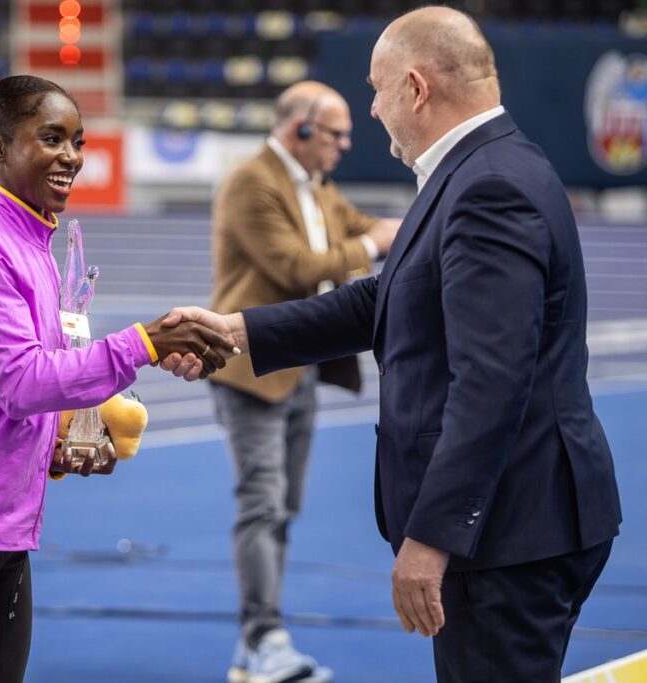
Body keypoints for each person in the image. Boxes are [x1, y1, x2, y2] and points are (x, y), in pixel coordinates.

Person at [162, 7, 622, 682]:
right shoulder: (480, 167)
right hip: (518, 521)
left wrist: (433, 536)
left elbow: (491, 380)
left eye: (376, 90)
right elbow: (390, 296)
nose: (372, 111)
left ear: (415, 87)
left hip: (508, 535)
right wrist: (239, 330)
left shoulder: (488, 185)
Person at [0, 74, 235, 683]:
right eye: (51, 138)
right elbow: (21, 382)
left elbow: (6, 389)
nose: (72, 157)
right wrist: (145, 344)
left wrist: (55, 441)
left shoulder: (29, 239)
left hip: (1, 523)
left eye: (77, 141)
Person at [210, 80, 398, 683]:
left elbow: (361, 226)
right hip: (250, 374)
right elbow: (294, 266)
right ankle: (264, 636)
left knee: (283, 508)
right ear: (303, 130)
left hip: (300, 373)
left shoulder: (315, 186)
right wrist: (371, 242)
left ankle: (254, 647)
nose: (345, 145)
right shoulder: (253, 182)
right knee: (262, 505)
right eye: (337, 134)